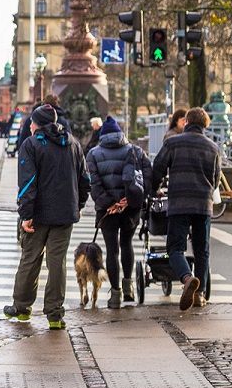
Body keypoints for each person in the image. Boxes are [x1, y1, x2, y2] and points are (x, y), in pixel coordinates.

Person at [4, 104, 90, 330]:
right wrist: (78, 205)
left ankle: (22, 308)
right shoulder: (73, 143)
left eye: (32, 122)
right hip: (65, 214)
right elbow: (85, 180)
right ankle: (54, 315)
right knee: (57, 263)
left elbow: (27, 183)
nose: (30, 125)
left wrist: (26, 214)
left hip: (38, 214)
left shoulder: (31, 145)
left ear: (38, 124)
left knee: (30, 259)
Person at [149, 107, 220, 310]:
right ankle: (199, 295)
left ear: (186, 122)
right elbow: (215, 179)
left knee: (175, 248)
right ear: (205, 125)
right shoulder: (213, 147)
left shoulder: (173, 143)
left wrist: (155, 189)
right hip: (203, 204)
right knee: (202, 250)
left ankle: (187, 278)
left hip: (179, 203)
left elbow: (158, 169)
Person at [86, 115, 152, 308]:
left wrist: (109, 204)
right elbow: (147, 177)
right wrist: (130, 200)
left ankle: (115, 295)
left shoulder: (93, 154)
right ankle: (129, 286)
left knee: (112, 250)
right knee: (127, 244)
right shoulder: (136, 151)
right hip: (130, 209)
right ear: (120, 133)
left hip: (107, 211)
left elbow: (93, 184)